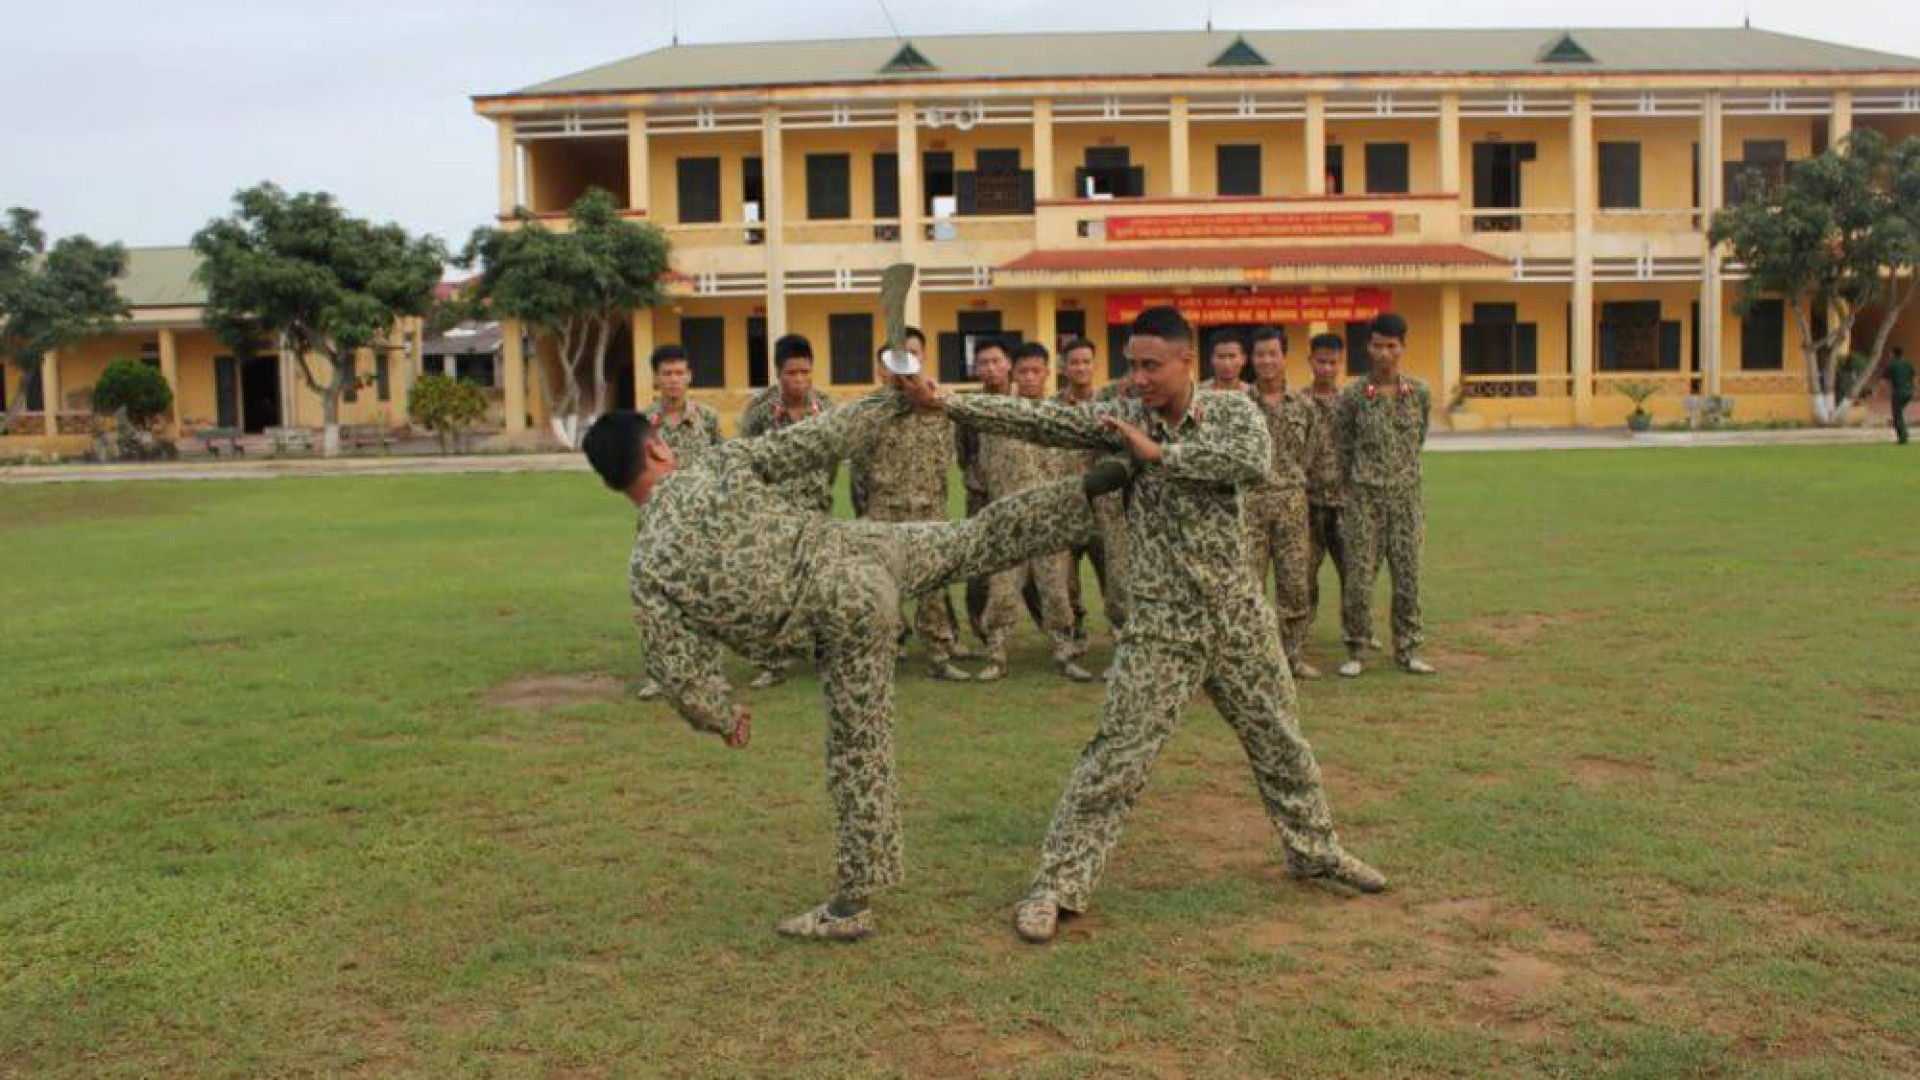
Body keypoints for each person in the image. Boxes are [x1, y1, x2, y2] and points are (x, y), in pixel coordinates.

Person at [585, 376, 1115, 942]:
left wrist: (720, 714)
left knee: (859, 754)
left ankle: (853, 904)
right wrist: (893, 395)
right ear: (657, 447)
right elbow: (823, 438)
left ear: (616, 483)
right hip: (861, 551)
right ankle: (1097, 494)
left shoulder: (649, 568)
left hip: (840, 612)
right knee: (977, 537)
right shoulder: (715, 466)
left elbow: (675, 666)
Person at [933, 305, 1387, 945]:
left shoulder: (1230, 411)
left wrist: (1159, 456)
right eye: (1133, 365)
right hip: (1161, 627)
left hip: (1236, 618)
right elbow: (1044, 419)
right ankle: (1057, 885)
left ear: (1186, 362)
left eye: (1151, 365)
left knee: (1281, 742)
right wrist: (951, 404)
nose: (1139, 376)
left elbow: (1248, 462)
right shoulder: (1123, 415)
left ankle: (1315, 850)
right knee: (1117, 757)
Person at [847, 328, 971, 681]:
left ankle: (939, 656)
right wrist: (866, 512)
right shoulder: (869, 410)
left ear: (924, 358)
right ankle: (882, 655)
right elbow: (857, 470)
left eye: (913, 353)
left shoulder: (941, 404)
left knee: (933, 588)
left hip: (929, 510)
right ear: (883, 368)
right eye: (897, 357)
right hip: (884, 511)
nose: (906, 362)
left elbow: (955, 458)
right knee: (880, 590)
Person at [977, 341, 1096, 682]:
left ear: (1048, 373)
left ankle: (1065, 652)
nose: (1029, 378)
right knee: (1002, 590)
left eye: (1036, 371)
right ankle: (996, 655)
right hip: (1009, 518)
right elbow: (984, 464)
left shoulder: (1060, 416)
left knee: (1056, 590)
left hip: (1049, 521)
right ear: (1013, 373)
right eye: (1023, 371)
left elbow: (1074, 471)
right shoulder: (1000, 413)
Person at [1335, 312, 1435, 678]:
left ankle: (1408, 649)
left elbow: (1419, 438)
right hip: (1364, 500)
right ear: (1368, 347)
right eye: (1377, 345)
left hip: (1407, 499)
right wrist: (1354, 491)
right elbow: (1343, 447)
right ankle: (1357, 648)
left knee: (1408, 578)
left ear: (1403, 348)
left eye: (1391, 346)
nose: (1383, 354)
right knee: (1359, 580)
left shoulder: (1419, 393)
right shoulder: (1354, 395)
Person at [738, 333, 835, 689]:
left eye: (805, 373)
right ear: (779, 373)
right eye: (791, 373)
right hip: (773, 513)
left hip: (814, 511)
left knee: (819, 584)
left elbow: (833, 458)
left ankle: (822, 653)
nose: (798, 380)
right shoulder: (760, 411)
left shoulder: (825, 408)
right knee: (773, 588)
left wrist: (820, 492)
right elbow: (747, 457)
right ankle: (772, 662)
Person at [634, 343, 726, 701]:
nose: (674, 380)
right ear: (656, 379)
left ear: (689, 376)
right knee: (657, 603)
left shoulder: (708, 420)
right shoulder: (643, 424)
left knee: (707, 599)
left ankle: (711, 673)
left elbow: (723, 466)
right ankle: (659, 674)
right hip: (658, 525)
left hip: (701, 524)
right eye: (667, 374)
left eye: (679, 373)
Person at [1245, 326, 1321, 679]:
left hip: (1291, 506)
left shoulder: (1304, 405)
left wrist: (1290, 482)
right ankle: (1253, 659)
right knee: (1250, 587)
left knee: (1294, 584)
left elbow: (1311, 453)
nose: (1266, 361)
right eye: (1260, 354)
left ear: (1284, 356)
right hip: (1250, 506)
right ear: (1252, 358)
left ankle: (1292, 656)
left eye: (1273, 353)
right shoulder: (1240, 405)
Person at [1050, 336, 1125, 647]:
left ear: (1094, 365)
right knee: (1064, 579)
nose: (1081, 368)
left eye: (1086, 362)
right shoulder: (1052, 406)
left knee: (1116, 575)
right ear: (1064, 368)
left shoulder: (1110, 403)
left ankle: (1122, 633)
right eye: (1074, 362)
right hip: (1067, 503)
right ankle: (1075, 633)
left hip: (1106, 505)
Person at [954, 338, 1013, 654]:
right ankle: (981, 630)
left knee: (1024, 566)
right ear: (976, 370)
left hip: (1018, 495)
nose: (990, 369)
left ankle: (1059, 630)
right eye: (984, 364)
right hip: (980, 497)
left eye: (996, 361)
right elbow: (964, 454)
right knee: (977, 566)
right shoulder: (969, 410)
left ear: (1008, 364)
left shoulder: (1024, 404)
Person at [1302, 333, 1358, 649]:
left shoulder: (1351, 402)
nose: (1326, 368)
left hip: (1344, 503)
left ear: (1340, 363)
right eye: (1320, 361)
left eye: (1332, 362)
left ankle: (1355, 629)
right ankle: (1301, 631)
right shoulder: (1298, 401)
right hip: (1307, 502)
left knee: (1352, 572)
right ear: (1310, 361)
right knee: (1304, 573)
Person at [1884, 346, 1913, 445]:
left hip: (1898, 392)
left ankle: (1903, 438)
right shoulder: (1909, 364)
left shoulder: (1891, 365)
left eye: (1890, 353)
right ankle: (1904, 434)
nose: (1889, 355)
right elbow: (1914, 377)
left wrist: (1877, 392)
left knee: (1897, 415)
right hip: (1909, 392)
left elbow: (1884, 381)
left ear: (1893, 354)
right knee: (1899, 413)